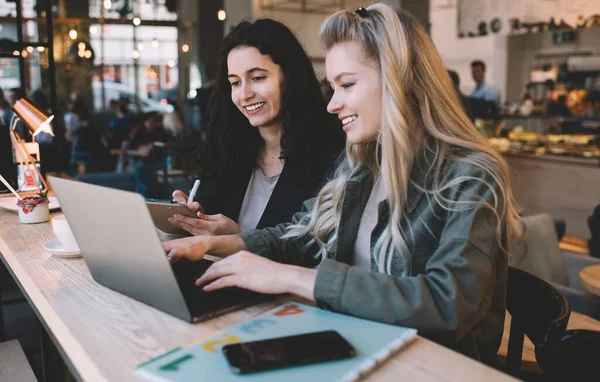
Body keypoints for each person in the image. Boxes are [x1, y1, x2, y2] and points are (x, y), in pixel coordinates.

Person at [164, 4, 523, 366]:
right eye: (332, 88)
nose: (333, 104)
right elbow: (300, 234)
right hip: (352, 348)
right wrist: (213, 243)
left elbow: (449, 303)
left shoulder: (471, 176)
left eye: (347, 85)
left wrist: (293, 278)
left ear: (401, 79)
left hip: (428, 366)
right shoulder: (361, 166)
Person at [168, 19, 344, 236]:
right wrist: (198, 218)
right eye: (235, 82)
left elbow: (316, 251)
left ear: (291, 76)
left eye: (257, 77)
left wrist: (238, 239)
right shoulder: (229, 153)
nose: (244, 95)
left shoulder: (332, 157)